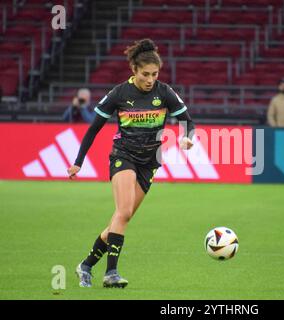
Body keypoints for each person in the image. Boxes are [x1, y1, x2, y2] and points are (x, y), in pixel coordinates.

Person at [67, 39, 195, 288]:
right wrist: (78, 162)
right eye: (145, 74)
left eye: (154, 74)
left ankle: (86, 265)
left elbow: (188, 122)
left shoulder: (165, 92)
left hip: (150, 163)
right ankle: (111, 273)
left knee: (121, 219)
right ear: (134, 71)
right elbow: (93, 130)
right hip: (123, 156)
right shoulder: (119, 94)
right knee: (123, 211)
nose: (150, 79)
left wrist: (187, 138)